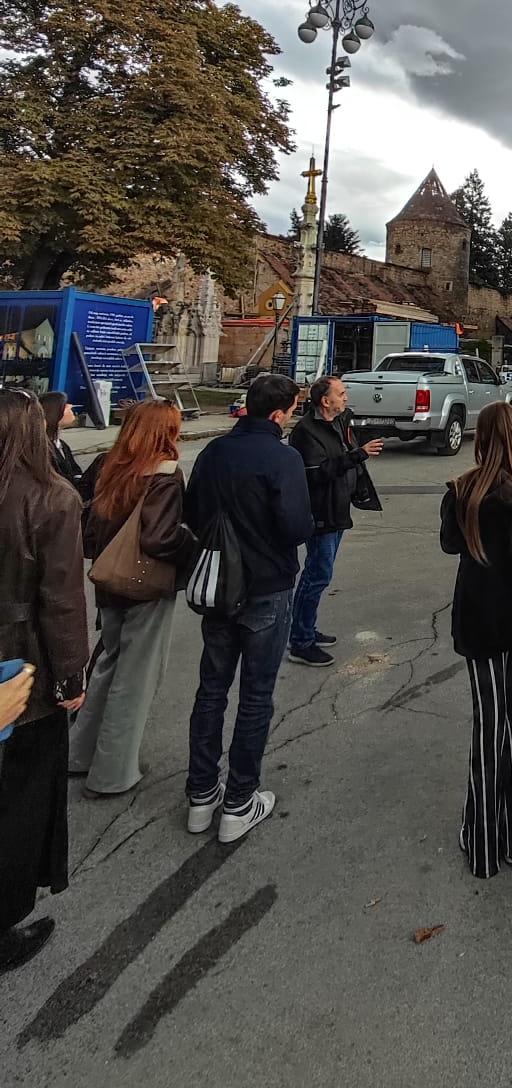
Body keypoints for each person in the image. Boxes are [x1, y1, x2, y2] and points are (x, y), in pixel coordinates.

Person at [183, 373, 312, 844]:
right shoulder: (283, 457)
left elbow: (192, 512)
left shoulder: (214, 452)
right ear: (278, 413)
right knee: (256, 695)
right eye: (291, 410)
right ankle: (239, 800)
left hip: (219, 585)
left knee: (211, 690)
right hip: (266, 586)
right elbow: (296, 527)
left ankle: (201, 794)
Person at [440, 402, 512, 879]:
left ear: (483, 439)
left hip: (479, 618)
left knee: (489, 721)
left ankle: (484, 844)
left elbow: (450, 543)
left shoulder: (464, 489)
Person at [0, 388, 89, 974]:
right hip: (22, 665)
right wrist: (71, 676)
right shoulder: (50, 498)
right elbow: (61, 600)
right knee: (21, 803)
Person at [69, 400, 196, 797]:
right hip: (144, 583)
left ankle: (79, 753)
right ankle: (112, 772)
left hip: (108, 579)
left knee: (108, 665)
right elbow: (159, 538)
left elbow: (87, 523)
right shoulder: (165, 473)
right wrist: (191, 544)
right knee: (135, 679)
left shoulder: (108, 463)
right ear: (166, 431)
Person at [287, 375, 384, 667]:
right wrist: (358, 455)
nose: (346, 397)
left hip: (338, 509)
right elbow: (317, 472)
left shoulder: (339, 422)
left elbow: (346, 445)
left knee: (319, 574)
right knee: (316, 575)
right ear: (325, 401)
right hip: (322, 514)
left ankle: (306, 628)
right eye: (341, 393)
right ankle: (300, 641)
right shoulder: (307, 431)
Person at [40, 392, 85, 491]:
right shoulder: (43, 449)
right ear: (54, 413)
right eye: (64, 405)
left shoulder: (62, 445)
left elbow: (76, 470)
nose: (70, 406)